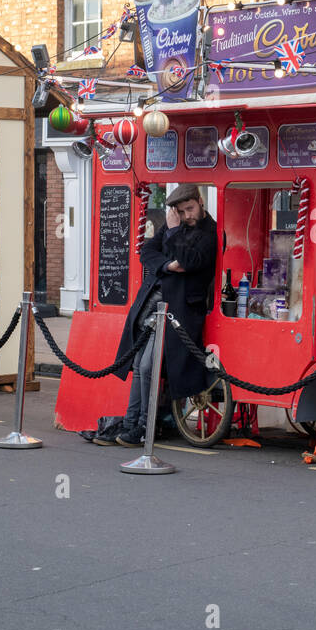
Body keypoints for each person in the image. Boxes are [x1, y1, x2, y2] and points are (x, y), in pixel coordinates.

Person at [96, 183, 217, 446]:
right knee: (139, 366)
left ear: (200, 201)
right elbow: (146, 252)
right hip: (153, 305)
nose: (187, 216)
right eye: (182, 212)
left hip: (180, 312)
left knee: (149, 366)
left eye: (190, 209)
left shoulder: (210, 232)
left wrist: (173, 233)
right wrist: (168, 265)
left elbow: (191, 260)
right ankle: (130, 424)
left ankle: (142, 427)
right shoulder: (178, 226)